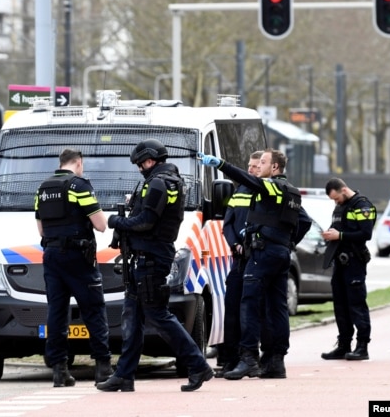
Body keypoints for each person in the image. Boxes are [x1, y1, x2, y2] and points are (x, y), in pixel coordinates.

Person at [97, 139, 214, 393]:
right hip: (145, 258)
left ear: (150, 160)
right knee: (132, 316)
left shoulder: (159, 183)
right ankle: (124, 375)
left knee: (158, 316)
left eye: (141, 164)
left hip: (152, 258)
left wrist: (117, 221)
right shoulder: (166, 181)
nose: (140, 168)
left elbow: (145, 222)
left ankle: (197, 365)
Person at [199, 148, 311, 380]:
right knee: (276, 308)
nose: (259, 166)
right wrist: (287, 242)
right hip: (279, 255)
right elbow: (302, 221)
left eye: (263, 162)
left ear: (275, 168)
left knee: (248, 304)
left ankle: (249, 358)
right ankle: (275, 362)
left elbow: (247, 179)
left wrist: (221, 164)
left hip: (262, 254)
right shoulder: (291, 191)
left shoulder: (274, 186)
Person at [34, 148, 112, 387]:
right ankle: (103, 367)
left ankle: (59, 370)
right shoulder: (79, 186)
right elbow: (100, 226)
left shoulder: (43, 189)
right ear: (78, 163)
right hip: (78, 257)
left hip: (51, 255)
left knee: (56, 312)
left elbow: (41, 230)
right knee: (93, 309)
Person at [215, 150, 263, 378]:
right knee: (232, 307)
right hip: (239, 258)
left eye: (256, 166)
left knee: (253, 309)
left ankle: (253, 357)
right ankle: (229, 358)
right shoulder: (239, 191)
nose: (251, 170)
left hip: (258, 258)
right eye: (250, 166)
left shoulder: (266, 191)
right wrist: (235, 244)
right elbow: (228, 223)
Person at [320, 178, 376, 361]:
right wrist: (330, 234)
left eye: (337, 198)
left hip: (354, 262)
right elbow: (338, 227)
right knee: (340, 306)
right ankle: (344, 345)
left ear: (344, 190)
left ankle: (362, 346)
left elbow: (365, 234)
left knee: (356, 304)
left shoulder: (362, 206)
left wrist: (340, 235)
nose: (336, 202)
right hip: (340, 261)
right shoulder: (340, 207)